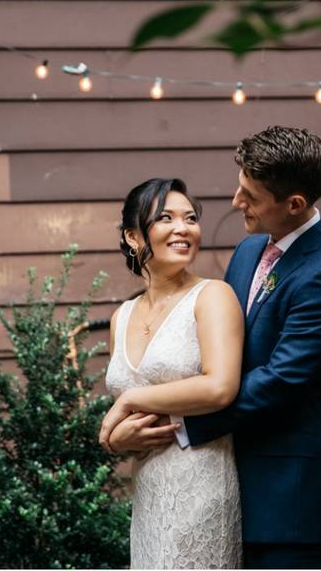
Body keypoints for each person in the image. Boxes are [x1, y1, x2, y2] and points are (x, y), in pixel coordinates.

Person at [101, 126, 321, 569]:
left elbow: (279, 382)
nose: (236, 202)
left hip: (285, 502)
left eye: (250, 195)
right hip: (213, 481)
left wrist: (172, 423)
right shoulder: (247, 252)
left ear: (294, 204)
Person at [101, 178, 244, 569]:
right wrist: (118, 441)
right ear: (133, 236)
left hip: (202, 483)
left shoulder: (212, 296)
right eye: (166, 218)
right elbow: (128, 422)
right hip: (147, 491)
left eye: (191, 218)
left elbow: (219, 387)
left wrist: (130, 400)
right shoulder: (121, 316)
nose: (183, 228)